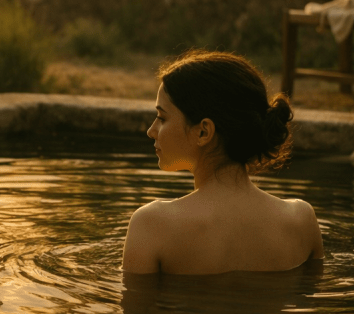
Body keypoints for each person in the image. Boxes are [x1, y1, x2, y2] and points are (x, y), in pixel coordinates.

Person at [122, 50, 324, 275]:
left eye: (162, 118)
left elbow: (136, 309)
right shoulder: (301, 220)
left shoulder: (152, 226)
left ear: (203, 132)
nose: (151, 131)